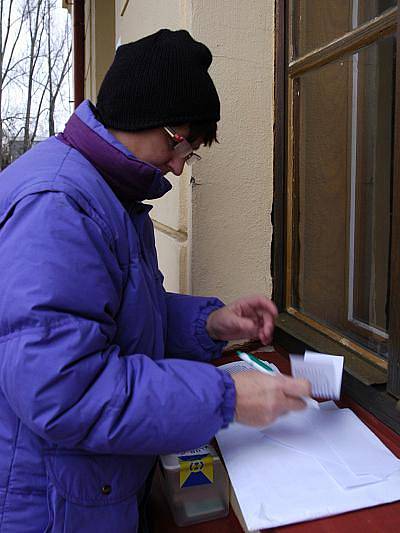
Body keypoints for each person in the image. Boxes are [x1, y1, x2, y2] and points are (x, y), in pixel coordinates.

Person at [0, 29, 311, 532]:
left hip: (83, 488)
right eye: (182, 144)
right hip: (49, 508)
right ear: (143, 118)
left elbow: (112, 316)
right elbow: (65, 391)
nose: (178, 165)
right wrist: (227, 398)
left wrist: (209, 323)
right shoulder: (58, 206)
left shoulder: (103, 191)